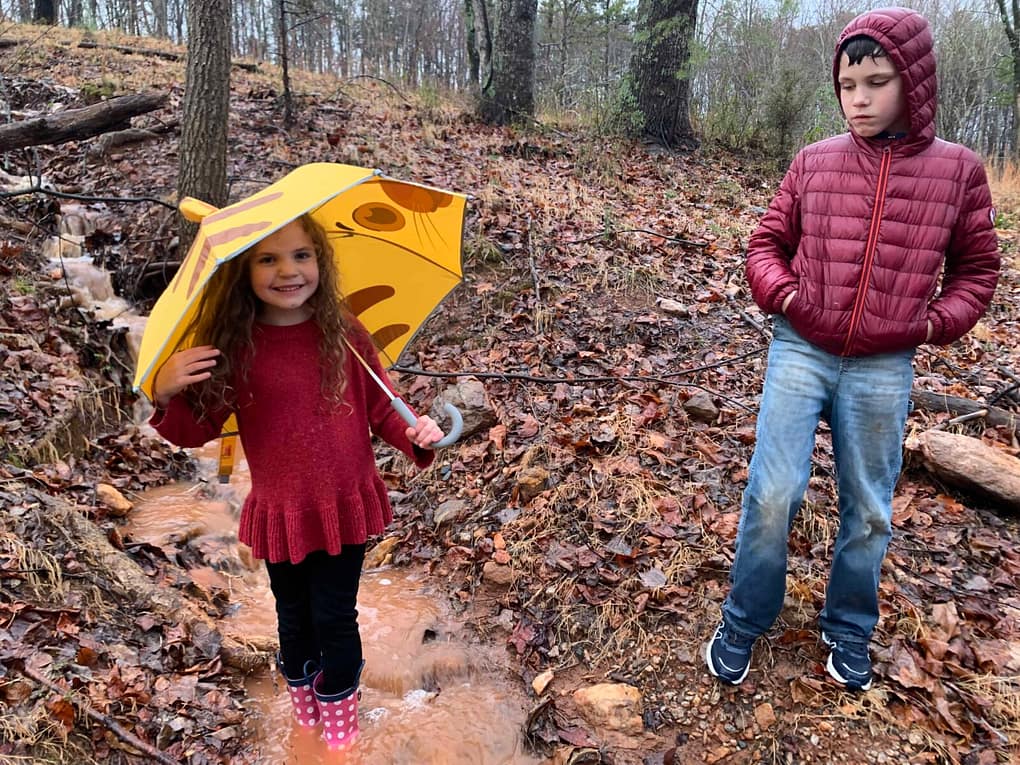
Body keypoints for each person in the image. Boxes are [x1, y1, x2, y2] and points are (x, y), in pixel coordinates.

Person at [705, 7, 1000, 692]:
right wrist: (785, 298)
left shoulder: (957, 171)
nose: (859, 99)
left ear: (915, 81)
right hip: (800, 349)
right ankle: (744, 619)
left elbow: (977, 272)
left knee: (868, 508)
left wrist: (929, 326)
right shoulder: (814, 160)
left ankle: (849, 630)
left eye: (876, 81)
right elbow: (765, 246)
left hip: (884, 364)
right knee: (773, 492)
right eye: (847, 84)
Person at [150, 213, 443, 750]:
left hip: (343, 504)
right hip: (281, 512)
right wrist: (166, 393)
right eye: (268, 259)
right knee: (292, 617)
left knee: (334, 615)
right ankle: (305, 716)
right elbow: (198, 429)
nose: (289, 270)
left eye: (302, 255)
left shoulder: (345, 333)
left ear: (321, 261)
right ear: (244, 271)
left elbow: (382, 407)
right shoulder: (235, 346)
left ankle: (339, 734)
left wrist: (417, 435)